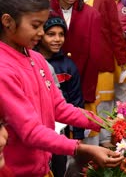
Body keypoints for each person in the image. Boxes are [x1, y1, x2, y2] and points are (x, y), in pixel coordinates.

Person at [0, 0, 123, 177]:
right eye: (35, 25)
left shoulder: (36, 58)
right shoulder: (4, 70)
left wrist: (103, 122)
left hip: (42, 167)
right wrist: (80, 148)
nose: (41, 33)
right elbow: (30, 131)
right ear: (8, 22)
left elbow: (58, 107)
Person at [75, 0, 126, 148]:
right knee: (84, 105)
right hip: (78, 62)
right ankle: (89, 146)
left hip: (103, 59)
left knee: (104, 105)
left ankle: (105, 143)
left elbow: (115, 29)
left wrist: (121, 59)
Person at [36, 16, 85, 177]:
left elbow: (76, 102)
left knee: (59, 167)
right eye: (51, 34)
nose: (57, 39)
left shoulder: (68, 66)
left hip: (59, 129)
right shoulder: (30, 61)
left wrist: (78, 136)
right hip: (36, 128)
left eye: (61, 34)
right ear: (40, 34)